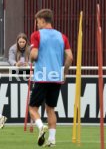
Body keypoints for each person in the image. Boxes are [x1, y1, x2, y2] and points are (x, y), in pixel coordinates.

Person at [29, 9, 73, 147]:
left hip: (42, 77)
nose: (36, 24)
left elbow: (34, 55)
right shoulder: (62, 36)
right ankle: (52, 140)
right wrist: (64, 73)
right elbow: (70, 57)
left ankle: (41, 126)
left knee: (33, 108)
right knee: (51, 109)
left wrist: (30, 57)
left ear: (42, 20)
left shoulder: (36, 35)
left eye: (37, 21)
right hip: (56, 78)